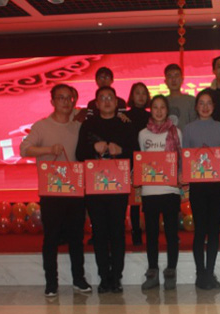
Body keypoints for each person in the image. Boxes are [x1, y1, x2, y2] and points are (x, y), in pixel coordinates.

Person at [20, 84, 90, 297]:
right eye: (61, 98)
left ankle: (79, 279)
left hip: (75, 191)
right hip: (51, 192)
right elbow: (24, 149)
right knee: (51, 238)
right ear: (52, 101)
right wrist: (49, 150)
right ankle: (51, 283)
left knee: (76, 237)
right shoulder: (41, 126)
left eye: (69, 98)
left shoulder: (78, 125)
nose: (65, 102)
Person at [76, 86, 137, 294]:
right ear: (96, 103)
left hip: (118, 188)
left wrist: (122, 151)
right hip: (95, 189)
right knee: (100, 233)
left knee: (117, 232)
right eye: (102, 98)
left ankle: (116, 276)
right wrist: (93, 148)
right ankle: (104, 277)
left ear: (117, 102)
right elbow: (79, 153)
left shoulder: (125, 124)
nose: (107, 101)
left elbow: (135, 153)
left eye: (110, 97)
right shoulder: (88, 125)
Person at [182, 89, 220, 290]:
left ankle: (210, 272)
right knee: (200, 230)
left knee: (214, 231)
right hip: (198, 187)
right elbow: (185, 156)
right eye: (201, 103)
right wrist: (182, 173)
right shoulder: (188, 129)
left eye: (209, 103)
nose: (205, 107)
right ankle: (200, 273)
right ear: (196, 107)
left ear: (214, 106)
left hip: (217, 186)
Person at [138, 95, 182, 290]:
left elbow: (180, 160)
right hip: (150, 191)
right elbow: (142, 160)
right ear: (151, 110)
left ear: (167, 110)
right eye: (155, 107)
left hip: (170, 190)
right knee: (152, 234)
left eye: (162, 107)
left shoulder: (176, 132)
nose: (158, 111)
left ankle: (171, 270)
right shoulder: (143, 134)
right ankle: (153, 271)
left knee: (172, 234)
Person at [126, 82, 152, 246]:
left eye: (144, 93)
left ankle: (150, 230)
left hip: (149, 161)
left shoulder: (152, 117)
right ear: (132, 96)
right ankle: (136, 231)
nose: (141, 96)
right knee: (134, 200)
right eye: (137, 93)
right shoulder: (124, 116)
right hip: (130, 161)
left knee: (148, 198)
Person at [165, 63, 197, 131]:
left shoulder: (191, 100)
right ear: (165, 81)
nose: (173, 79)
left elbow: (195, 124)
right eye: (170, 76)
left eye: (176, 76)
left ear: (182, 79)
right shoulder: (162, 102)